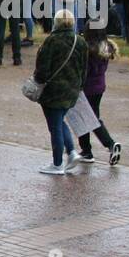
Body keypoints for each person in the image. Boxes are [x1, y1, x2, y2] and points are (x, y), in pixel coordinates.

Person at [33, 9, 88, 175]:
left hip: (53, 91)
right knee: (59, 121)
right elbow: (84, 68)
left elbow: (42, 69)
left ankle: (58, 164)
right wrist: (79, 86)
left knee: (55, 126)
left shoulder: (51, 41)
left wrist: (38, 82)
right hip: (72, 89)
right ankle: (71, 152)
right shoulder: (80, 41)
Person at [76, 27, 121, 166]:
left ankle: (108, 144)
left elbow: (84, 71)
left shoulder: (88, 51)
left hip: (87, 88)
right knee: (89, 117)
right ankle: (87, 150)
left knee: (88, 119)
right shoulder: (105, 48)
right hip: (99, 87)